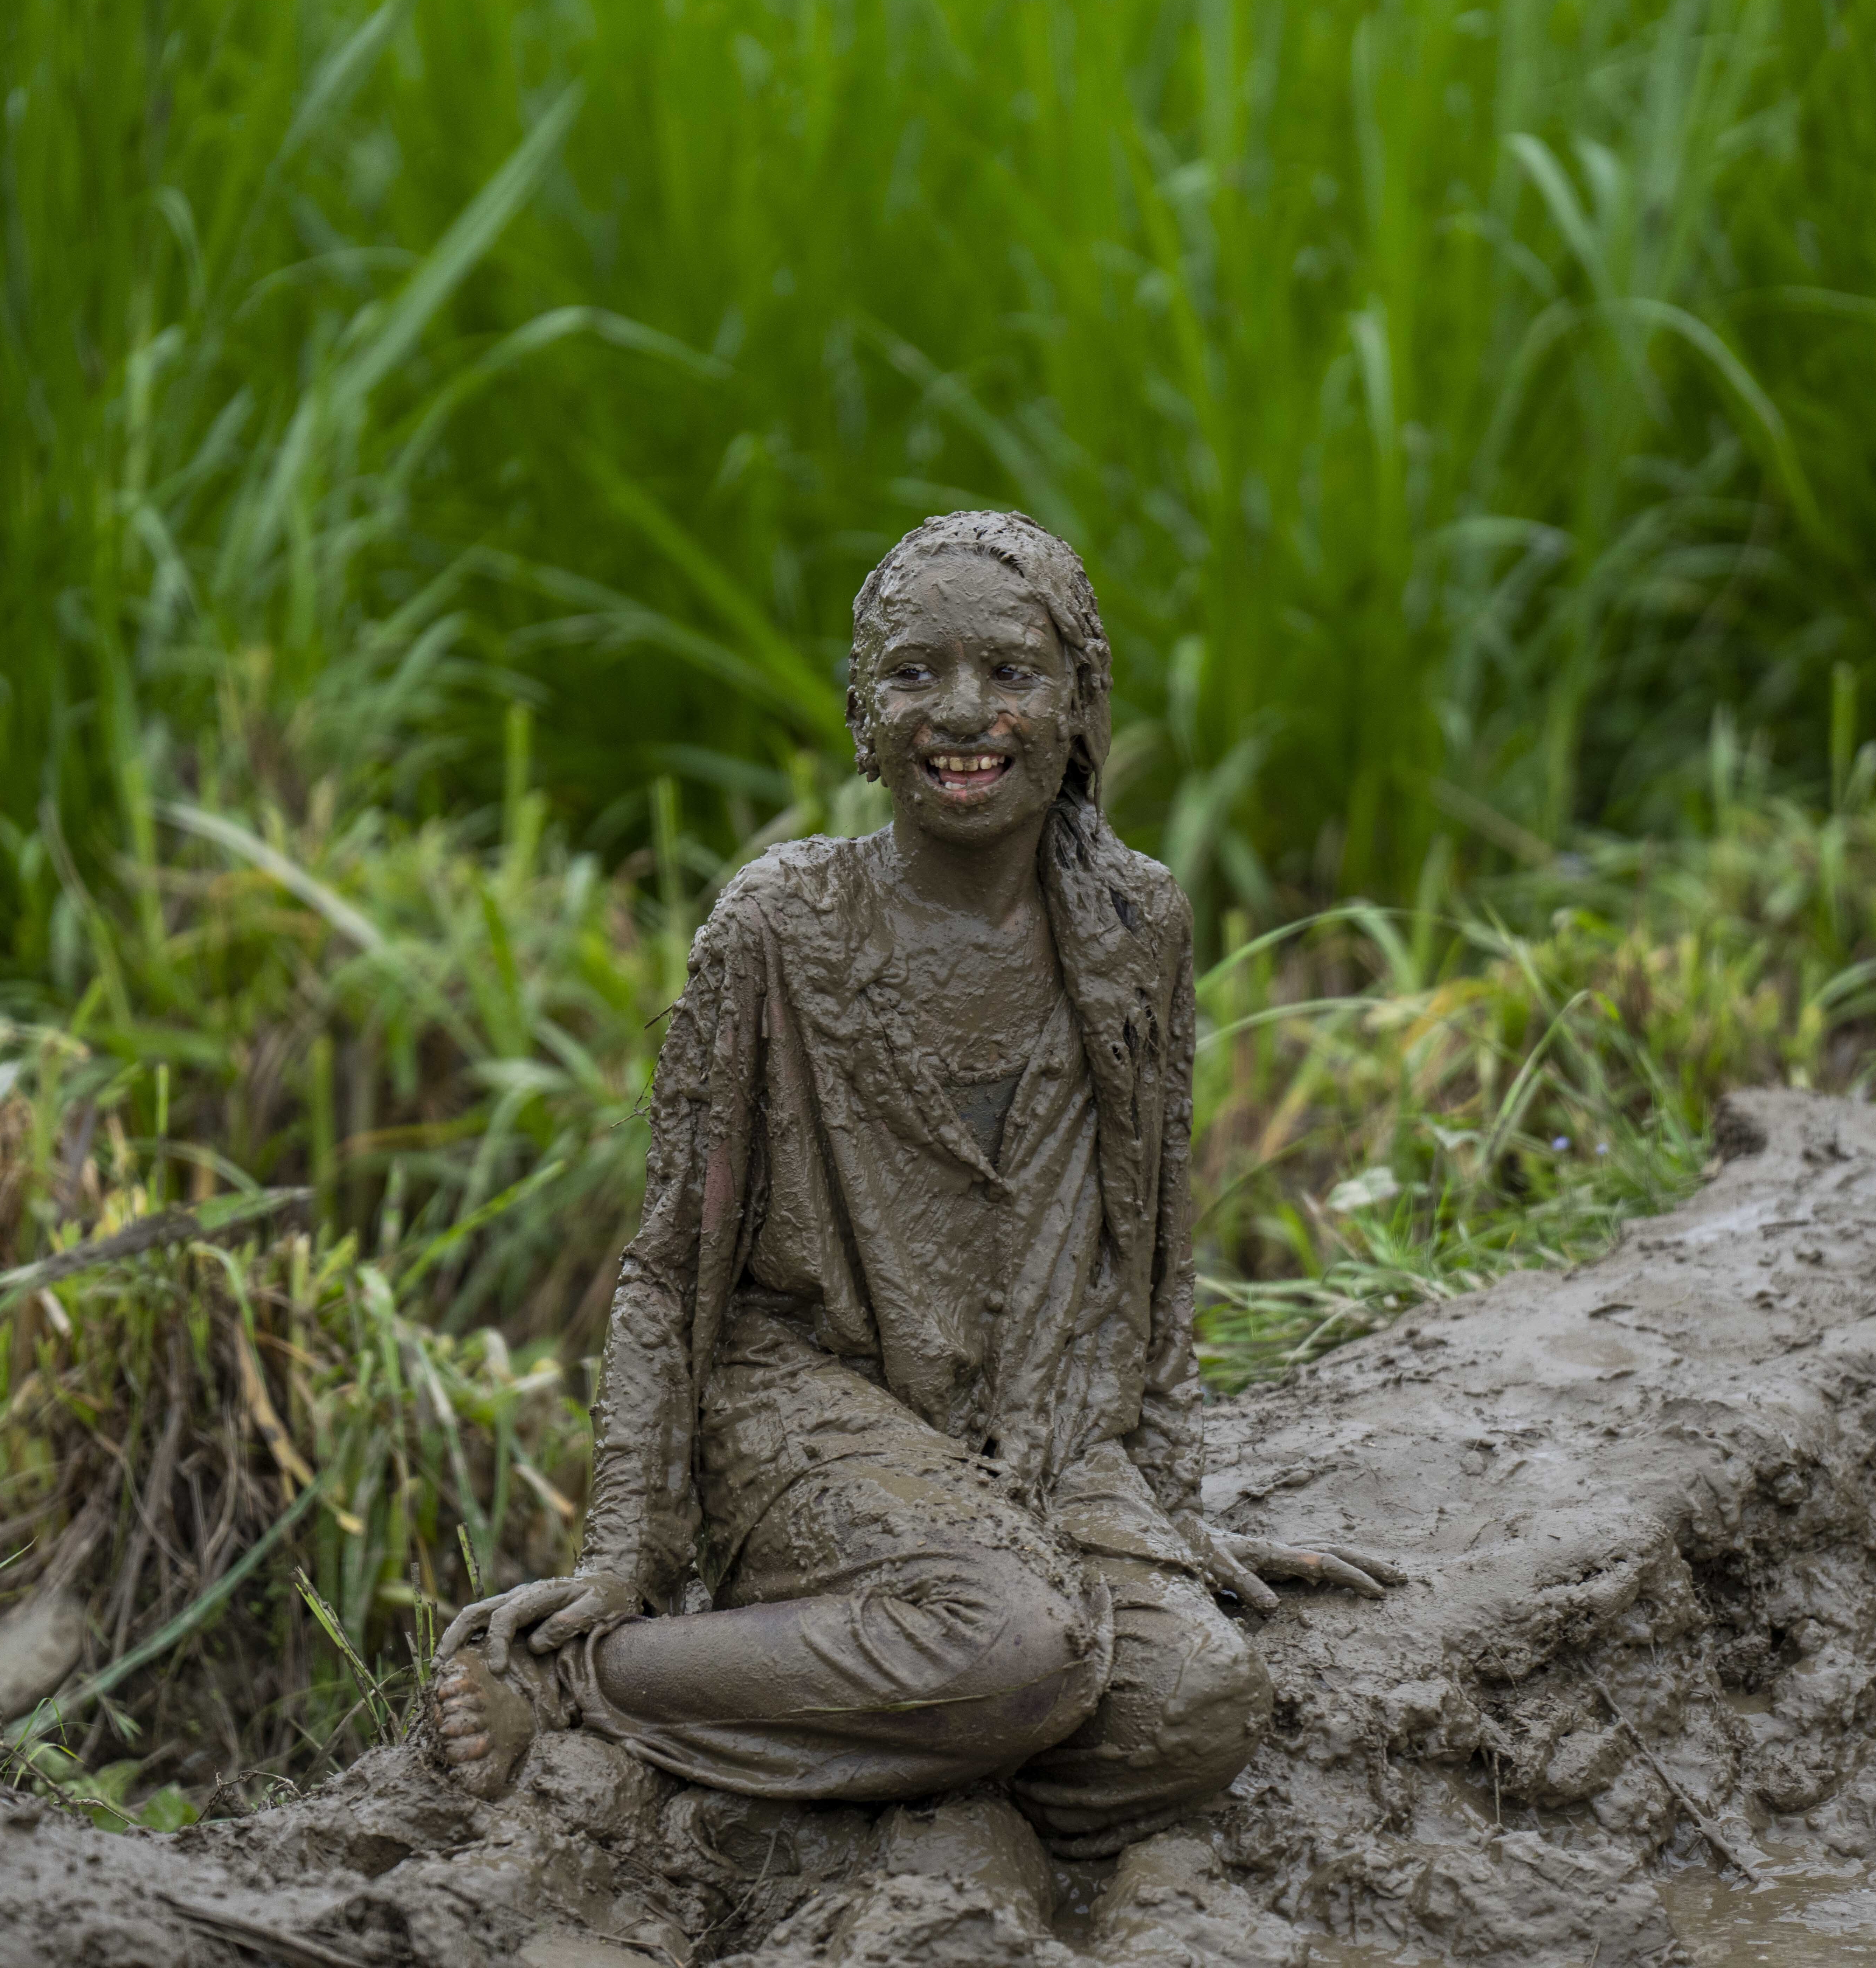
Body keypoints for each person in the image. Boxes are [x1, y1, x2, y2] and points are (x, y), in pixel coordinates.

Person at [430, 511, 1398, 1858]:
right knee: (1013, 1640)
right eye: (912, 674)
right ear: (860, 712)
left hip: (1047, 1414)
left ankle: (885, 1762)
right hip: (807, 1401)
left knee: (1198, 1703)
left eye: (1011, 674)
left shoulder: (1139, 925)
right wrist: (625, 1556)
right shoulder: (777, 927)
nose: (963, 716)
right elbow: (668, 1262)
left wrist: (1171, 1507)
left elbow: (1158, 1239)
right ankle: (586, 1686)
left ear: (1079, 705)